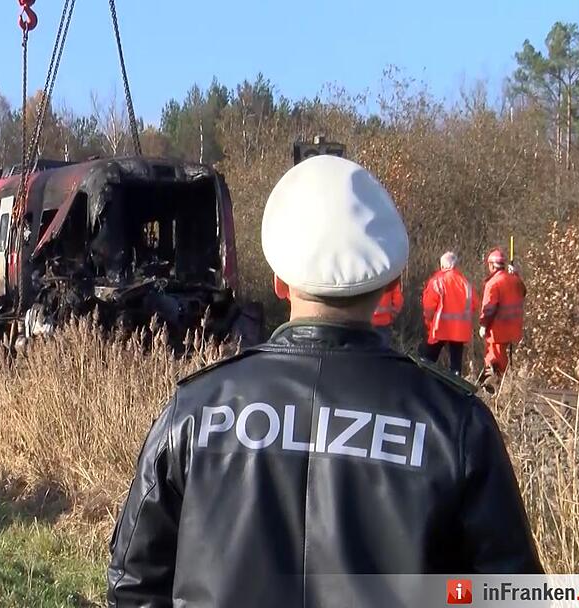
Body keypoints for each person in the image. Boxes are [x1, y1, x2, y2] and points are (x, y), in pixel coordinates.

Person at [107, 156, 542, 607]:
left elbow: (133, 583)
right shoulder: (455, 424)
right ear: (391, 283)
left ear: (279, 281)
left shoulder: (195, 411)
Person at [419, 251, 476, 376]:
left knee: (426, 361)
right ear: (455, 265)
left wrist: (429, 324)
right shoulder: (465, 283)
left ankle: (424, 383)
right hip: (459, 331)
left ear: (442, 265)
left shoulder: (437, 281)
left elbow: (429, 308)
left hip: (440, 328)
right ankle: (455, 388)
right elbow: (473, 305)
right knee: (456, 368)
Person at [479, 248, 527, 383]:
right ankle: (503, 385)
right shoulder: (514, 280)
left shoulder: (493, 283)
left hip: (497, 330)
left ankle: (496, 387)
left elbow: (489, 307)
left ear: (492, 265)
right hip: (513, 328)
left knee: (494, 360)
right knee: (502, 359)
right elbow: (523, 292)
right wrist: (516, 275)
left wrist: (483, 324)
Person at [370, 278, 403, 343]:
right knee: (382, 350)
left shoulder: (362, 274)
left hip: (364, 322)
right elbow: (398, 301)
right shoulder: (389, 276)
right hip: (383, 323)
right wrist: (393, 314)